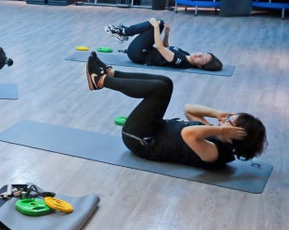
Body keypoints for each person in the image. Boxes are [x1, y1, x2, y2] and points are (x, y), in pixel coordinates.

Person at [86, 51, 266, 169]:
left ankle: (100, 81)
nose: (223, 121)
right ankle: (110, 74)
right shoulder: (216, 134)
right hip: (152, 129)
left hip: (141, 140)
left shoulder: (217, 153)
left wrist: (219, 129)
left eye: (229, 121)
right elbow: (189, 110)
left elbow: (188, 134)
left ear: (237, 135)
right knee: (166, 83)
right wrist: (217, 113)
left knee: (158, 90)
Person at [105, 18, 222, 71]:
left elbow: (160, 47)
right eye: (203, 53)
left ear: (200, 66)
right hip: (144, 50)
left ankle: (123, 32)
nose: (200, 55)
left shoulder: (181, 62)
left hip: (138, 55)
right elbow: (166, 47)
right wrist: (166, 34)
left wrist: (156, 27)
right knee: (160, 23)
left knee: (157, 23)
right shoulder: (186, 54)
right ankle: (124, 32)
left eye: (202, 59)